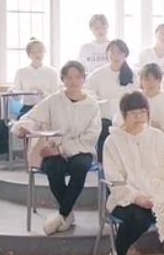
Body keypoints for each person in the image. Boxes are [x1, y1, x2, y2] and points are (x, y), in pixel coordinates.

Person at [12, 60, 100, 235]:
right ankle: (67, 214)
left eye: (77, 77)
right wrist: (23, 127)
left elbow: (91, 137)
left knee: (80, 166)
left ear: (83, 79)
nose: (73, 81)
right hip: (53, 146)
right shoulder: (54, 100)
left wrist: (61, 150)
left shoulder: (92, 105)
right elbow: (31, 117)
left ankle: (62, 214)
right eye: (69, 77)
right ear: (63, 79)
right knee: (53, 167)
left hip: (80, 149)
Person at [102, 91, 164, 255]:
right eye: (134, 113)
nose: (139, 117)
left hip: (157, 195)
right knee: (139, 218)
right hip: (125, 199)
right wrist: (136, 197)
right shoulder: (113, 141)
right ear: (124, 115)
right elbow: (114, 180)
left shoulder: (157, 136)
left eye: (143, 112)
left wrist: (162, 194)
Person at [85, 39, 138, 161]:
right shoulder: (97, 74)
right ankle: (103, 164)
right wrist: (100, 101)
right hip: (105, 116)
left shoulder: (132, 74)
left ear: (125, 54)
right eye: (112, 52)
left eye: (119, 52)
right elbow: (88, 93)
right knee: (104, 130)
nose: (115, 56)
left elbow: (135, 97)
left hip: (126, 117)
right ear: (107, 54)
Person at [114, 63, 164, 146]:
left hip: (161, 144)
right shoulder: (132, 98)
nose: (151, 83)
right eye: (147, 79)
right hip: (134, 143)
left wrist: (161, 128)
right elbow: (118, 123)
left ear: (160, 81)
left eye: (155, 79)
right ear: (141, 80)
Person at [12, 38, 59, 115]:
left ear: (44, 52)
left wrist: (43, 93)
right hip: (27, 108)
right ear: (29, 54)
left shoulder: (52, 72)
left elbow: (55, 95)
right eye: (34, 52)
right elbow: (17, 97)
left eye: (40, 51)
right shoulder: (20, 72)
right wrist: (12, 92)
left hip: (46, 108)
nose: (37, 54)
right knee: (22, 121)